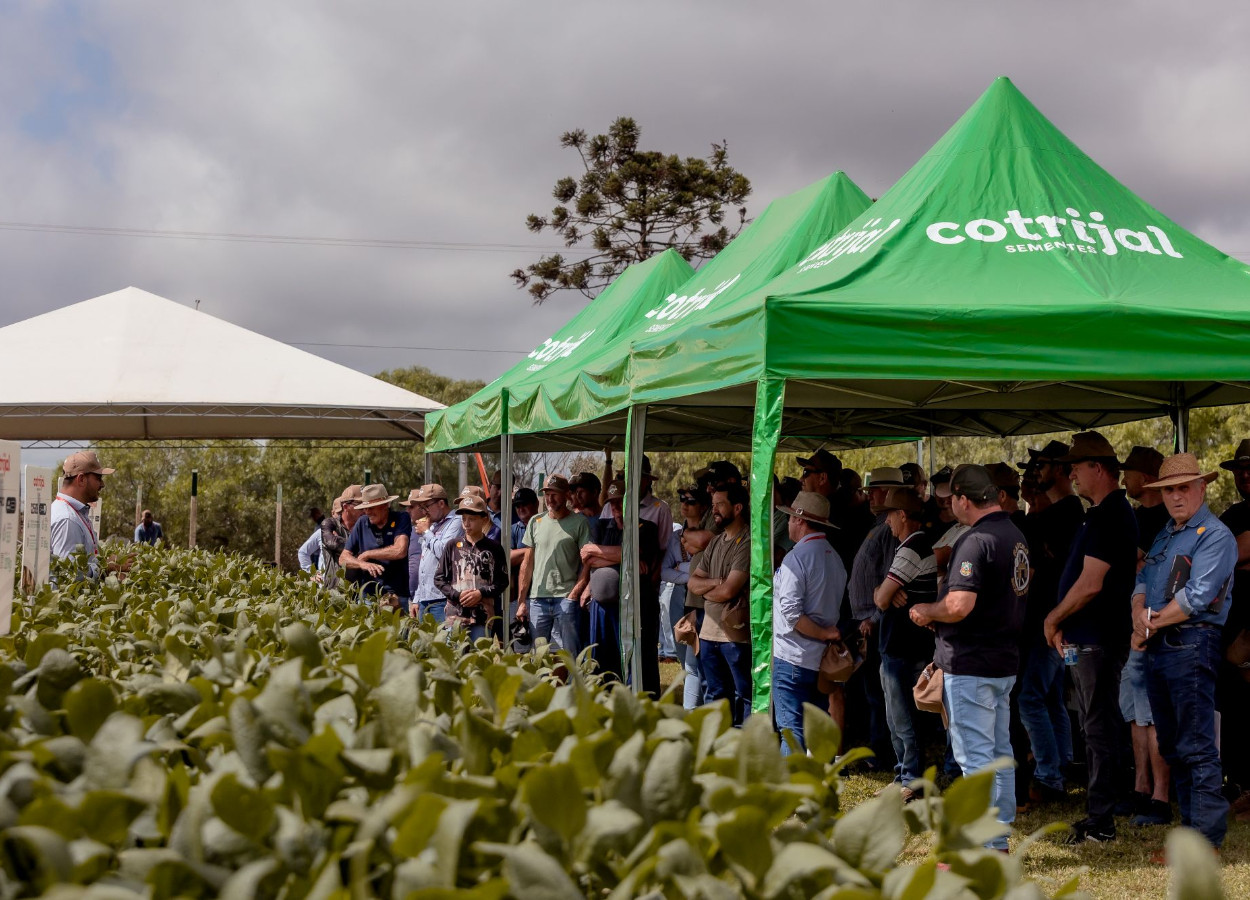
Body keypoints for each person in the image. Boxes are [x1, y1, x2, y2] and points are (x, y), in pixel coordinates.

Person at [910, 464, 1029, 852]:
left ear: (964, 499)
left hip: (971, 662)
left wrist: (928, 611)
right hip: (1002, 660)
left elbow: (960, 604)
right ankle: (997, 839)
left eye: (952, 499)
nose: (949, 506)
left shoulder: (976, 540)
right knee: (999, 754)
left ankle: (983, 846)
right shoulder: (1014, 535)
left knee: (975, 759)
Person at [1133, 453, 1237, 850]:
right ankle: (1193, 832)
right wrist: (1138, 614)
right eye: (1168, 490)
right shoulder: (1165, 533)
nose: (1175, 497)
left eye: (1183, 488)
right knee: (1173, 744)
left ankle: (1203, 840)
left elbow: (1197, 597)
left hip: (1192, 642)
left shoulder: (1215, 535)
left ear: (1202, 488)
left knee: (1195, 745)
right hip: (1161, 643)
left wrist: (1148, 623)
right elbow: (1142, 579)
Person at [1043, 433, 1138, 843]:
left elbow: (1091, 583)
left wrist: (1053, 619)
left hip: (1095, 640)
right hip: (1082, 638)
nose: (1072, 476)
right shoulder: (1099, 513)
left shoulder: (1111, 513)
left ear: (1098, 468)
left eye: (1076, 468)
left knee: (1097, 727)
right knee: (1092, 723)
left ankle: (1103, 819)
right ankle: (1102, 811)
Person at [1017, 439, 1081, 806]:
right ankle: (1061, 765)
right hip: (1050, 621)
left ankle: (1049, 775)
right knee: (1052, 697)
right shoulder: (1056, 513)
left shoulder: (1067, 512)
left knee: (1030, 698)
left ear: (1058, 468)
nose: (1034, 473)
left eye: (1040, 466)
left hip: (1054, 622)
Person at [873, 487, 939, 799]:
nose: (887, 521)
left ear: (902, 515)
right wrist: (885, 592)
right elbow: (884, 595)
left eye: (889, 514)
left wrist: (885, 592)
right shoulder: (913, 546)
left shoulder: (911, 548)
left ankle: (910, 780)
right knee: (896, 717)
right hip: (903, 646)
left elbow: (881, 598)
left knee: (903, 718)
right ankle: (903, 775)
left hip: (903, 647)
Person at [1119, 445, 1173, 823]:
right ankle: (1141, 788)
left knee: (1152, 712)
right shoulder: (1136, 516)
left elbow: (1136, 564)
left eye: (1129, 472)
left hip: (1154, 624)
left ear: (1146, 477)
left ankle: (1160, 797)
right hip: (1132, 624)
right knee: (1135, 711)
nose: (1124, 479)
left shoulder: (1164, 520)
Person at [773, 491, 845, 756]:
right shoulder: (834, 557)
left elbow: (791, 614)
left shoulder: (797, 558)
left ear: (800, 521)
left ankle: (792, 781)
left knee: (792, 732)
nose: (788, 523)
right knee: (814, 730)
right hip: (819, 660)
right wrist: (825, 634)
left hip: (792, 656)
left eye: (790, 518)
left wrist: (823, 633)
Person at [581, 479, 662, 690]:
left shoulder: (646, 528)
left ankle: (637, 697)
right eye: (612, 502)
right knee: (601, 658)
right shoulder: (601, 526)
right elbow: (588, 559)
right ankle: (604, 697)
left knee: (635, 656)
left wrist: (600, 553)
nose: (616, 507)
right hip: (602, 606)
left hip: (634, 605)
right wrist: (627, 558)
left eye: (620, 501)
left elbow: (636, 552)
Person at [689, 483, 753, 726]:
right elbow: (693, 582)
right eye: (713, 504)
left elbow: (729, 590)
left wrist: (708, 590)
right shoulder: (715, 542)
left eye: (720, 504)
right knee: (715, 696)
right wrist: (716, 582)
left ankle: (746, 744)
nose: (714, 510)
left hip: (734, 635)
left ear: (737, 508)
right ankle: (718, 742)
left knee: (743, 694)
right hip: (708, 633)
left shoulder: (747, 542)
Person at [517, 475, 591, 654]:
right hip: (537, 599)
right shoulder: (535, 522)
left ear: (566, 495)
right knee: (538, 655)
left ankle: (574, 677)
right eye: (547, 494)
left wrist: (574, 593)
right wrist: (522, 601)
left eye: (554, 494)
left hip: (566, 598)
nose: (550, 499)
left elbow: (587, 562)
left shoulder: (580, 522)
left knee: (571, 654)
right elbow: (527, 563)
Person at [1217, 439, 1250, 814]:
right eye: (1239, 469)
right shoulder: (1232, 515)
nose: (1244, 475)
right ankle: (1239, 782)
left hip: (1246, 631)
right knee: (1234, 708)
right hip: (1229, 627)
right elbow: (1214, 557)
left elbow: (1233, 554)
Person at [664, 484, 713, 709]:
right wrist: (689, 576)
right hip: (680, 598)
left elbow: (708, 570)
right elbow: (664, 571)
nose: (685, 504)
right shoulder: (676, 536)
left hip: (703, 600)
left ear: (703, 506)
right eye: (682, 499)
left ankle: (697, 709)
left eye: (691, 501)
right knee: (685, 659)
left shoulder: (709, 535)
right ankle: (693, 708)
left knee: (702, 660)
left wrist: (682, 568)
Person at [435, 493, 509, 641]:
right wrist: (457, 595)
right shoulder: (452, 546)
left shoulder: (495, 548)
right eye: (464, 519)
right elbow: (439, 579)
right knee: (455, 653)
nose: (466, 524)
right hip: (455, 617)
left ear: (484, 519)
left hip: (483, 617)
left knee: (479, 653)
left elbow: (502, 581)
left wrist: (481, 593)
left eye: (472, 519)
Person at [340, 484, 412, 611]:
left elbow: (400, 550)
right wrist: (362, 564)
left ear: (385, 505)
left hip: (396, 596)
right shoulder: (362, 523)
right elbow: (343, 558)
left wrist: (368, 554)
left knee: (397, 625)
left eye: (371, 508)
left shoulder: (401, 518)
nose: (367, 512)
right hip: (368, 596)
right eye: (365, 508)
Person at [51, 450, 113, 581]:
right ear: (81, 479)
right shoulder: (67, 520)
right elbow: (69, 575)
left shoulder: (74, 513)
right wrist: (106, 568)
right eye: (98, 478)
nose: (102, 484)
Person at [408, 484, 463, 623]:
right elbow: (424, 565)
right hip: (425, 599)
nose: (424, 512)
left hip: (442, 598)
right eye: (422, 508)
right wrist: (417, 598)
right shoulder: (433, 525)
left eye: (426, 506)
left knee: (441, 636)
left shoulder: (456, 521)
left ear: (441, 503)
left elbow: (444, 553)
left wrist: (426, 532)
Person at [321, 486, 361, 591]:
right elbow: (332, 543)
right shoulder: (329, 524)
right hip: (334, 592)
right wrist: (360, 548)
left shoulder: (365, 527)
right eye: (359, 505)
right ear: (346, 506)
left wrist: (339, 539)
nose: (365, 510)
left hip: (358, 592)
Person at [570, 472, 605, 542]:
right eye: (577, 492)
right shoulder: (575, 520)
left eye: (582, 492)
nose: (578, 496)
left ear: (594, 492)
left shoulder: (608, 518)